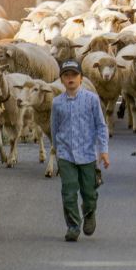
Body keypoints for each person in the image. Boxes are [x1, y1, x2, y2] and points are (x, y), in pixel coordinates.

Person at [50, 60, 110, 242]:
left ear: (81, 78)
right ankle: (73, 226)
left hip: (87, 154)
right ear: (61, 79)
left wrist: (103, 150)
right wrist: (57, 151)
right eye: (66, 75)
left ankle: (89, 212)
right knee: (68, 192)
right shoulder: (57, 103)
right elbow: (54, 128)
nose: (70, 79)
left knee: (89, 193)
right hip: (66, 154)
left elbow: (101, 125)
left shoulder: (92, 99)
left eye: (74, 75)